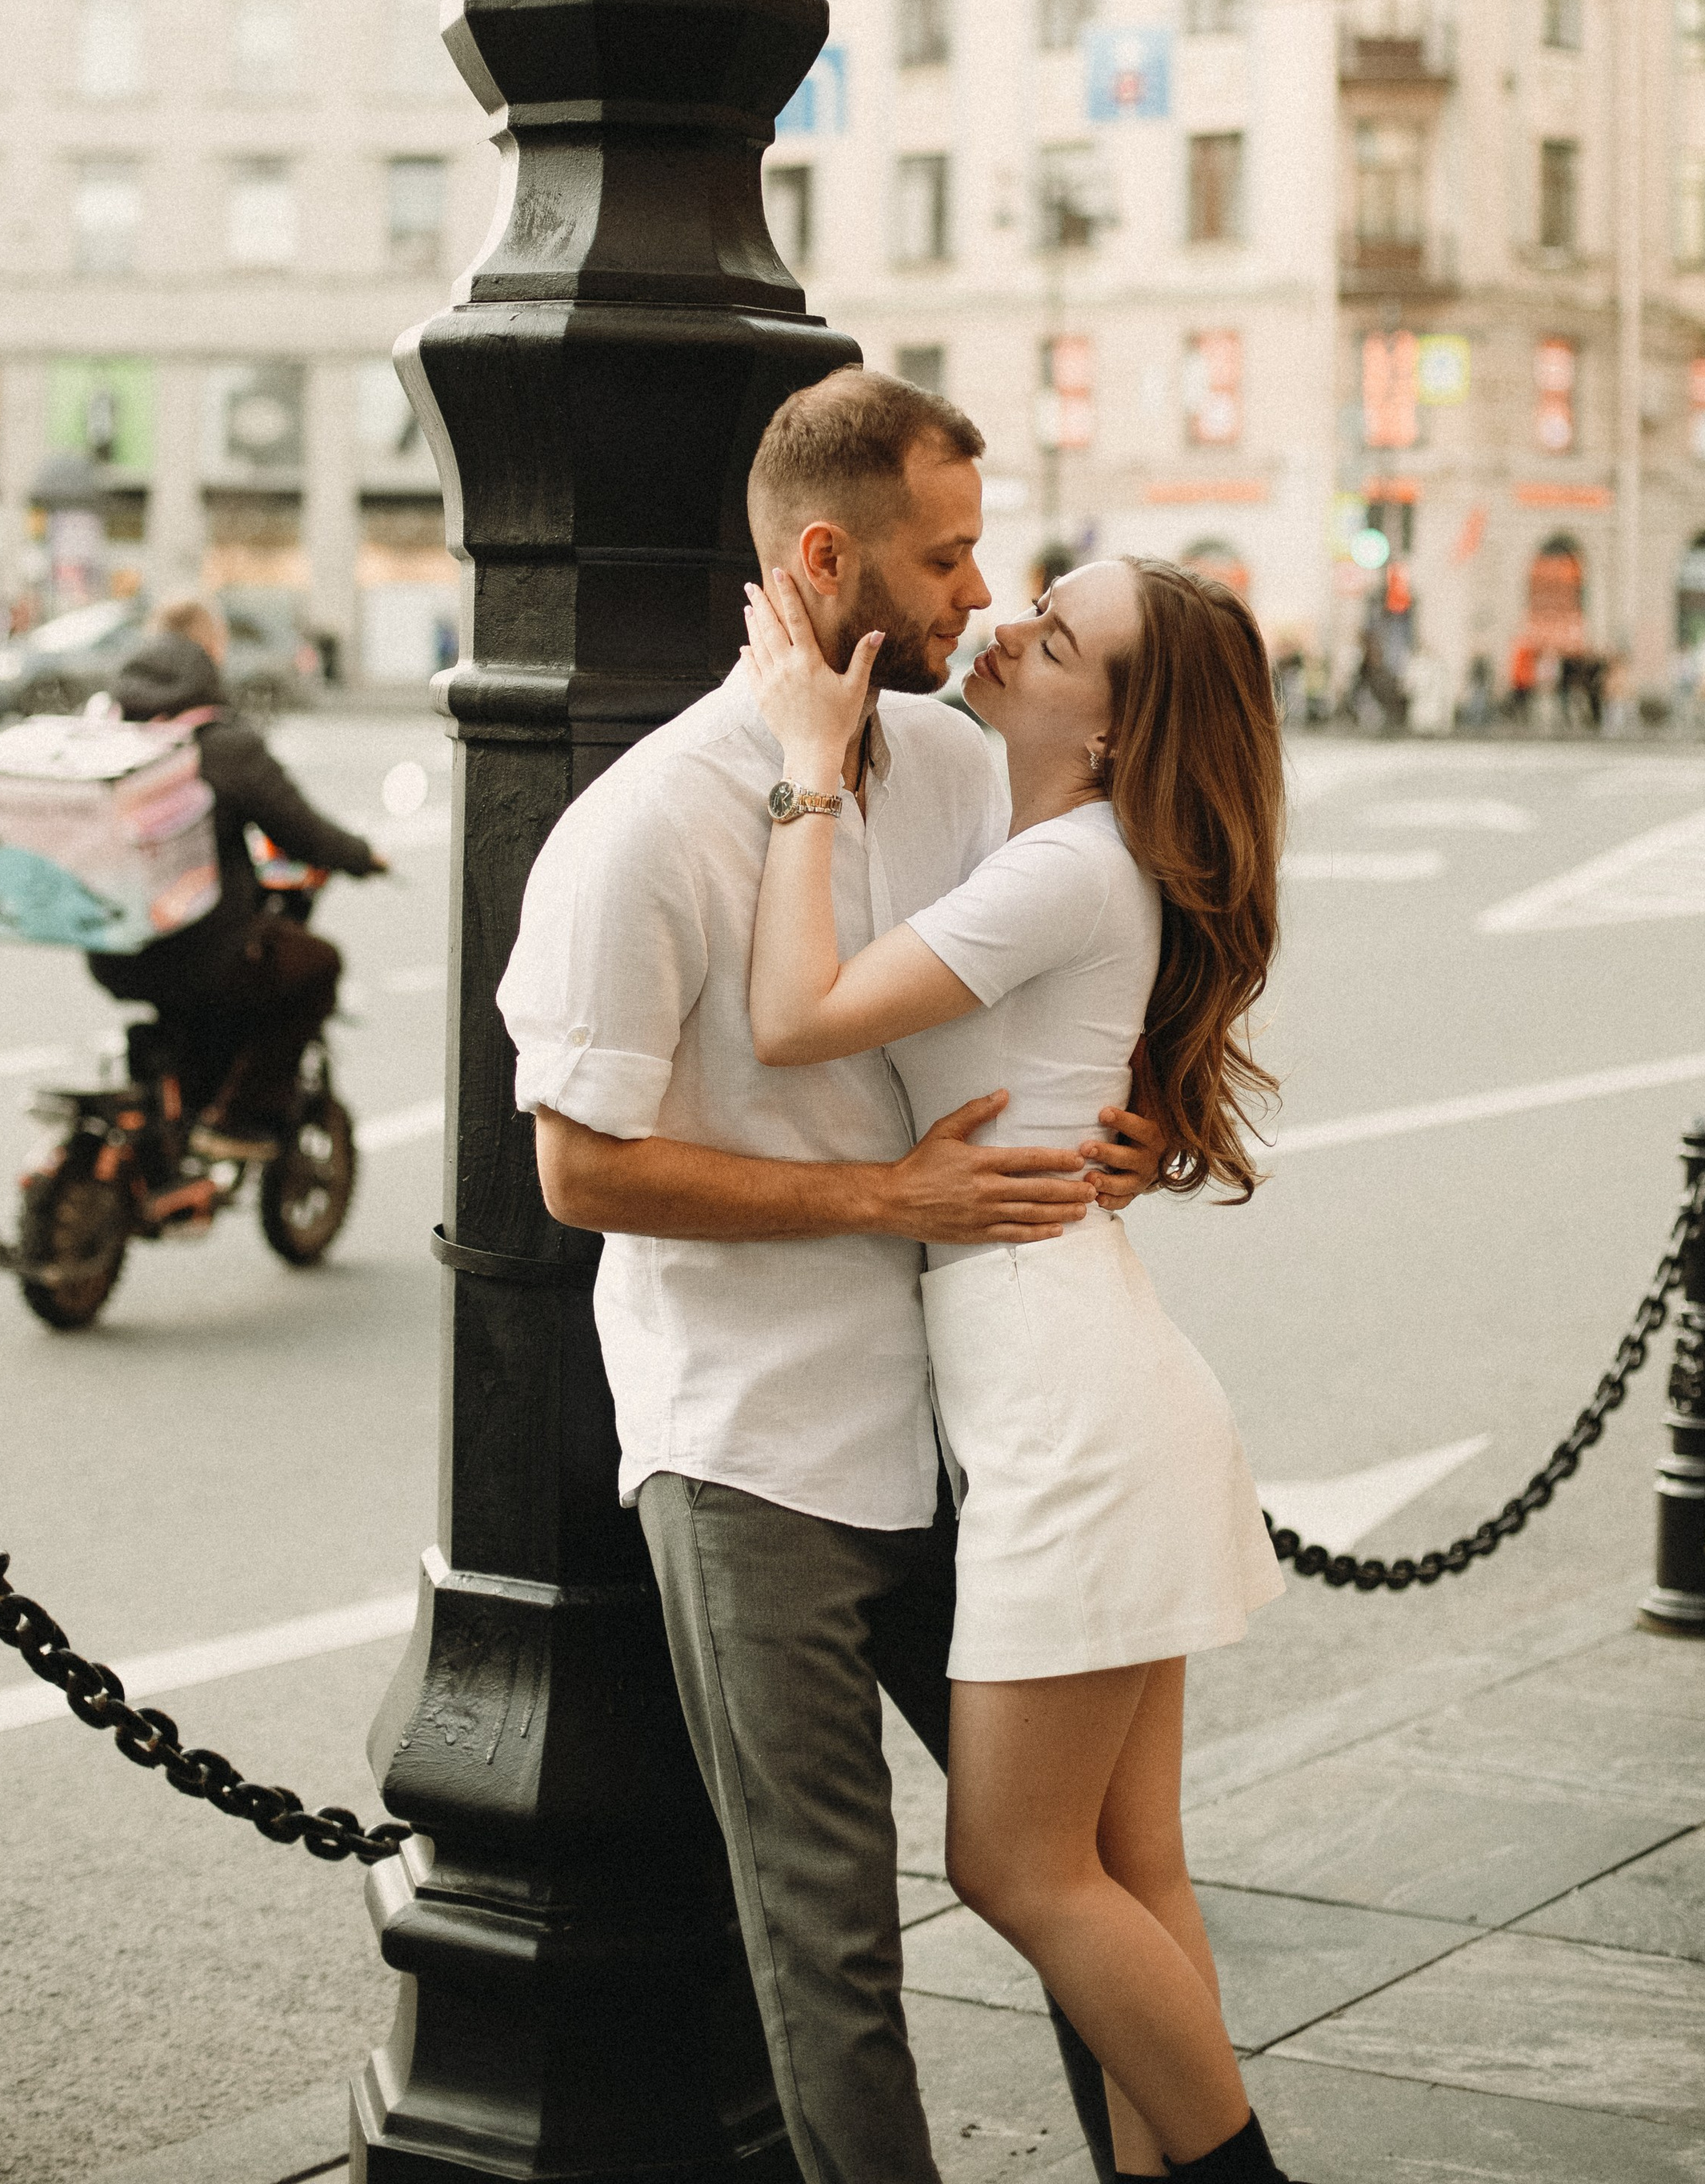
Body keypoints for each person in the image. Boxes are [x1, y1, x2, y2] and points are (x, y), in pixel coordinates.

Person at [501, 370, 1169, 2184]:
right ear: (824, 555)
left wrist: (1141, 1128)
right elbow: (579, 1163)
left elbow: (1088, 962)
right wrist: (889, 1194)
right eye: (944, 556)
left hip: (972, 1425)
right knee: (831, 1940)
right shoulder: (648, 824)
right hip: (757, 1452)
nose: (980, 590)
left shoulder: (966, 766)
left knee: (1069, 1876)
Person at [737, 556, 1294, 2184]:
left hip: (1071, 1413)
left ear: (1114, 732)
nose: (996, 629)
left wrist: (803, 772)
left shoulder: (1066, 866)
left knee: (1015, 1865)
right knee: (1129, 1861)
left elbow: (790, 1015)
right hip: (1092, 1372)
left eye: (1049, 640)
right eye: (1030, 597)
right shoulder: (1071, 845)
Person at [90, 622, 385, 1178]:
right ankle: (240, 1120)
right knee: (318, 965)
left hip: (115, 955)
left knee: (210, 981)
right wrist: (363, 856)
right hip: (205, 957)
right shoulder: (223, 747)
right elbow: (303, 831)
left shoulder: (110, 746)